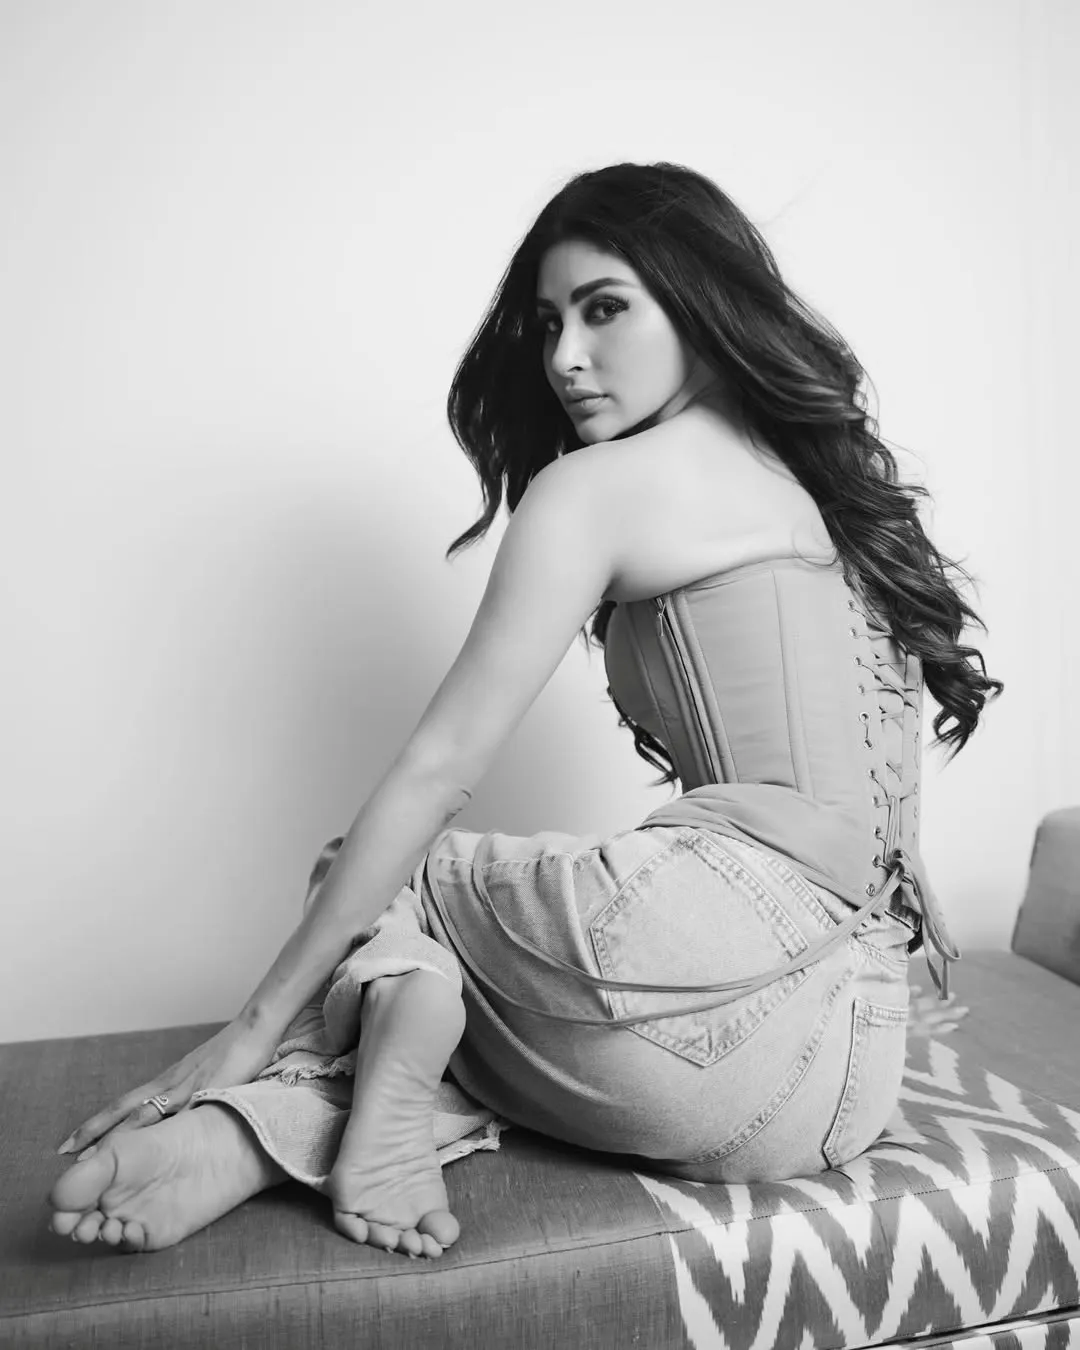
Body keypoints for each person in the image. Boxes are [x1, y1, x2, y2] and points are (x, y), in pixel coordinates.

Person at [47, 161, 1003, 1260]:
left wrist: (248, 1031)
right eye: (549, 323)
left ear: (701, 299)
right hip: (844, 1076)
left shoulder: (604, 486)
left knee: (369, 881)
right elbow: (888, 841)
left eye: (605, 309)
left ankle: (356, 1038)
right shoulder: (834, 493)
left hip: (702, 979)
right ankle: (268, 1136)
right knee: (437, 964)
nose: (564, 357)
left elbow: (438, 766)